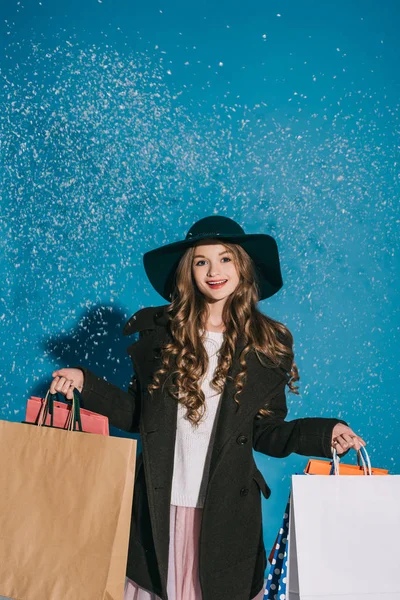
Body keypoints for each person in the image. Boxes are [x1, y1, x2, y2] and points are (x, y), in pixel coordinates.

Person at [50, 215, 366, 600]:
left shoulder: (265, 346)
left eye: (225, 259)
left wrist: (325, 432)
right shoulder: (160, 336)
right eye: (202, 261)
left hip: (225, 517)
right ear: (188, 271)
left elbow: (267, 432)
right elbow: (138, 416)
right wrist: (87, 383)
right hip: (160, 508)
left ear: (243, 268)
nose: (214, 271)